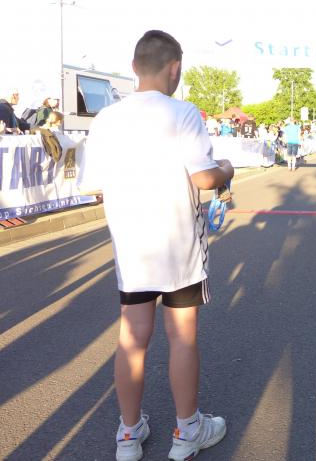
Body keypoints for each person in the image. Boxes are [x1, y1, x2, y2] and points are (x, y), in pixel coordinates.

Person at [78, 30, 233, 461]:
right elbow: (204, 178)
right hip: (178, 244)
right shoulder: (183, 112)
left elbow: (92, 188)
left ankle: (128, 435)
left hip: (133, 247)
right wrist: (226, 169)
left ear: (134, 68)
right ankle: (187, 431)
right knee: (181, 337)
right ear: (174, 68)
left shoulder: (106, 119)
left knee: (132, 337)